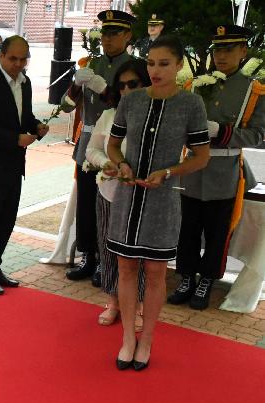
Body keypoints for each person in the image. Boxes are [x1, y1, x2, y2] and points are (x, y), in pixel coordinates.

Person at [104, 36, 210, 370]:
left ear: (180, 65)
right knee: (125, 266)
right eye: (151, 63)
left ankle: (146, 338)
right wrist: (120, 164)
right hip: (127, 197)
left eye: (164, 64)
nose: (155, 70)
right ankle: (127, 338)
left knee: (155, 271)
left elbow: (202, 157)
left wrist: (169, 171)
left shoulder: (191, 104)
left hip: (162, 201)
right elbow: (113, 146)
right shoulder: (131, 101)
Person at [172, 25, 265, 310]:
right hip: (192, 169)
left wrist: (223, 132)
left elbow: (259, 135)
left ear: (243, 52)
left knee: (216, 232)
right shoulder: (197, 84)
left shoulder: (255, 90)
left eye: (228, 49)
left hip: (225, 170)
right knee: (187, 228)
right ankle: (186, 276)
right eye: (217, 50)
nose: (221, 56)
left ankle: (206, 281)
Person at [60, 10, 135, 284]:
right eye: (104, 33)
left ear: (128, 36)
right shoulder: (90, 63)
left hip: (116, 143)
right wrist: (76, 86)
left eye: (114, 33)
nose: (107, 38)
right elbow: (66, 107)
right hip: (88, 142)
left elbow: (128, 103)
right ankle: (88, 256)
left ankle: (107, 260)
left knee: (110, 204)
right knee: (86, 204)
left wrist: (104, 89)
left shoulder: (133, 67)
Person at [0, 36, 47, 294]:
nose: (17, 64)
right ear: (1, 55)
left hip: (14, 165)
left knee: (6, 220)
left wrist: (36, 125)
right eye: (13, 58)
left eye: (22, 59)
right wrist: (15, 139)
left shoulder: (24, 84)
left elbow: (22, 117)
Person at [84, 59, 149, 325]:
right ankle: (113, 300)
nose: (126, 90)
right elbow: (92, 150)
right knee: (108, 247)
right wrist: (106, 163)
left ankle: (139, 303)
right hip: (110, 192)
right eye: (121, 86)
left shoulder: (155, 117)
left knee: (140, 250)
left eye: (132, 84)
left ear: (146, 84)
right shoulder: (109, 115)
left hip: (144, 195)